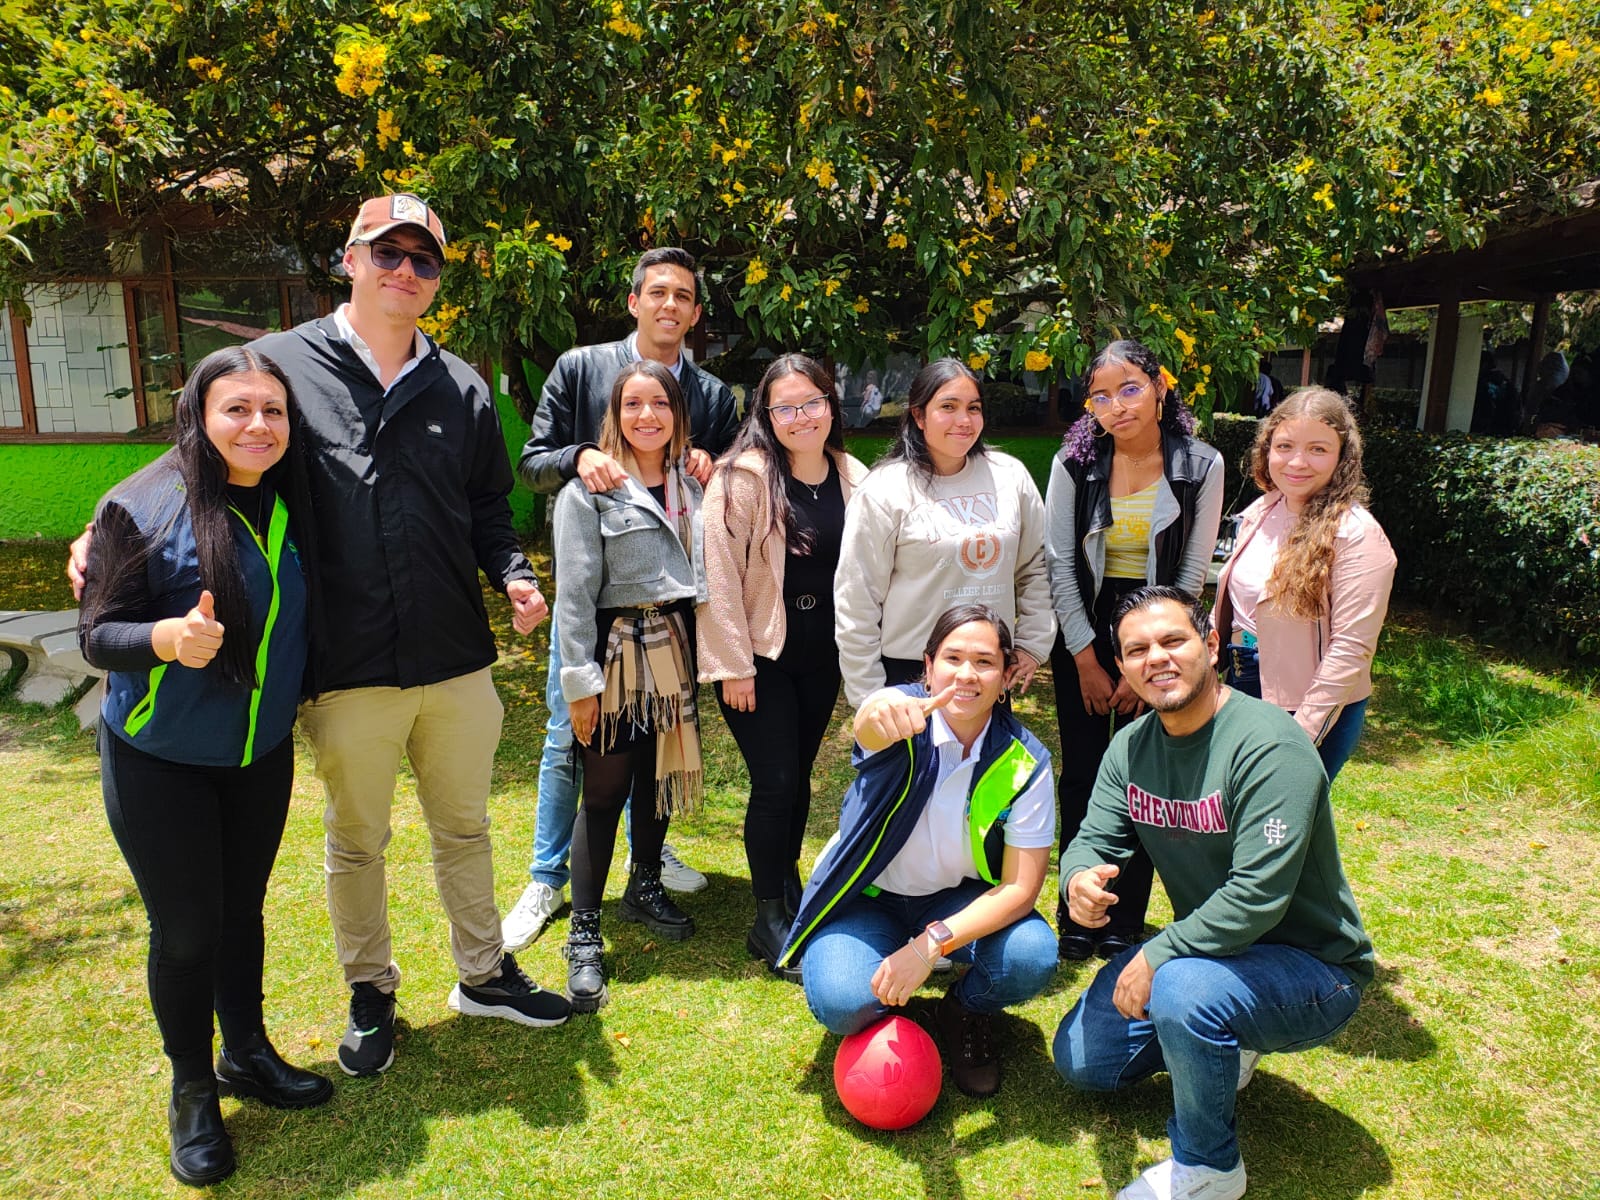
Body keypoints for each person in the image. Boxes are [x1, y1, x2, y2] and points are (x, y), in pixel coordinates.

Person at [74, 193, 571, 1077]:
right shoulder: (281, 365)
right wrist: (99, 533)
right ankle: (371, 993)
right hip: (343, 661)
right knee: (358, 838)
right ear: (350, 260)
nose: (405, 272)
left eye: (423, 261)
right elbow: (198, 444)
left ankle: (485, 973)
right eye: (388, 254)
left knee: (464, 828)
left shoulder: (459, 384)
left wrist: (516, 575)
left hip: (455, 652)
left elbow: (489, 507)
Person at [78, 347, 329, 1186]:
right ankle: (193, 1088)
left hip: (257, 753)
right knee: (186, 930)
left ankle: (247, 1054)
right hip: (161, 759)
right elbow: (95, 634)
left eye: (274, 411)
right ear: (199, 413)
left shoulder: (296, 494)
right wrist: (166, 641)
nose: (258, 426)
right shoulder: (142, 505)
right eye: (237, 409)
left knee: (241, 910)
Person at [1053, 586, 1374, 1200]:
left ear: (1211, 644)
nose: (1157, 659)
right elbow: (1093, 838)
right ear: (1121, 667)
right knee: (1083, 1061)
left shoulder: (1271, 745)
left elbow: (1257, 895)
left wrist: (1155, 953)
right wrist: (1079, 879)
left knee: (1182, 987)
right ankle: (1225, 1039)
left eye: (1173, 641)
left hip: (1311, 967)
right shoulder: (1131, 747)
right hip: (1213, 952)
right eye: (1137, 650)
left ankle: (1209, 1167)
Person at [506, 247, 739, 950]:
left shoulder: (713, 396)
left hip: (670, 621)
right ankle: (549, 877)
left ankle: (647, 865)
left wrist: (716, 463)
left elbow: (728, 491)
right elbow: (530, 462)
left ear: (696, 315)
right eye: (657, 292)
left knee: (656, 746)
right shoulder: (580, 368)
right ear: (634, 300)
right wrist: (578, 456)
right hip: (599, 610)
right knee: (569, 740)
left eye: (684, 296)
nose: (670, 304)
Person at [779, 605, 1058, 1098]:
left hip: (952, 899)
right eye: (952, 658)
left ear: (1007, 674)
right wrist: (876, 713)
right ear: (928, 668)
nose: (967, 674)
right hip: (866, 900)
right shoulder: (903, 716)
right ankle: (892, 1002)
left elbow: (1020, 887)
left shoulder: (1026, 759)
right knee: (842, 1001)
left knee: (1032, 956)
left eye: (985, 662)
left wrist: (930, 945)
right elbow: (870, 723)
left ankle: (962, 1010)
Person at [1044, 339, 1223, 961]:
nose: (1116, 406)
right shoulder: (1074, 463)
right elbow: (1060, 564)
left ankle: (1123, 917)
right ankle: (1076, 911)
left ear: (1159, 388)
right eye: (1100, 395)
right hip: (1088, 627)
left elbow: (1193, 569)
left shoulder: (1200, 464)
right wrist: (1088, 658)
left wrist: (1148, 657)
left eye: (1129, 389)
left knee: (1146, 779)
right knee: (1084, 774)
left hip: (1160, 626)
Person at [698, 354, 867, 977]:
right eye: (785, 407)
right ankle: (768, 919)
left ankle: (790, 890)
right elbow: (716, 575)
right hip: (760, 659)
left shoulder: (852, 474)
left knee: (797, 780)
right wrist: (733, 665)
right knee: (774, 783)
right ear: (766, 416)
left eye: (813, 403)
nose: (801, 417)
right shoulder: (742, 478)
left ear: (831, 405)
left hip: (822, 657)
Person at [552, 360, 708, 1011]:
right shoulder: (587, 491)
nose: (647, 416)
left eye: (660, 404)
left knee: (659, 773)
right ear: (613, 416)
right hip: (618, 655)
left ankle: (645, 884)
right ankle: (583, 933)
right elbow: (574, 596)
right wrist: (579, 686)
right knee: (606, 788)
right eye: (633, 404)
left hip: (676, 648)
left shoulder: (694, 484)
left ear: (677, 413)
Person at [834, 358, 1053, 710]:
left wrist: (1032, 643)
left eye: (973, 408)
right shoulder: (885, 490)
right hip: (908, 676)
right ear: (919, 416)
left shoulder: (1010, 477)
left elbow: (1035, 568)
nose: (964, 420)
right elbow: (856, 598)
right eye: (948, 407)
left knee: (984, 766)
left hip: (986, 670)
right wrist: (869, 695)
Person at [1214, 388, 1395, 782]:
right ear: (1267, 450)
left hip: (1308, 701)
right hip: (1242, 682)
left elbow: (1351, 647)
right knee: (1235, 814)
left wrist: (1303, 731)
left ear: (1342, 457)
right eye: (1284, 446)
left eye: (1317, 449)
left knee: (1281, 821)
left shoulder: (1357, 535)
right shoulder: (1261, 511)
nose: (1297, 461)